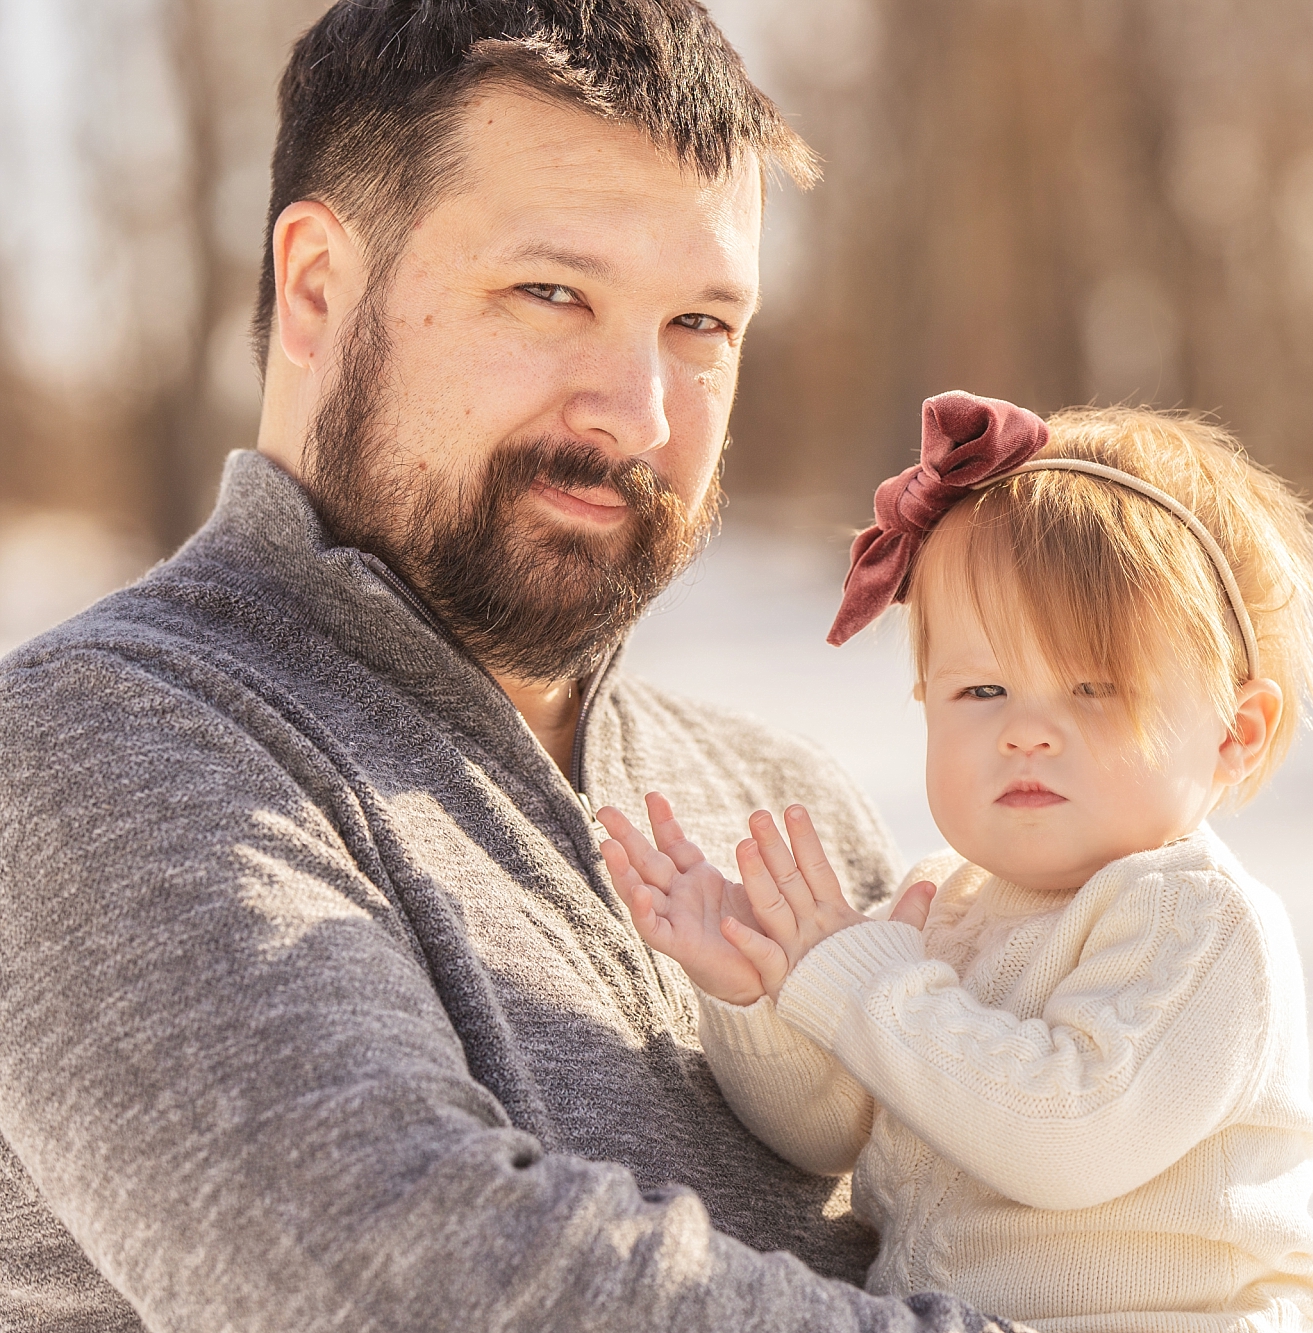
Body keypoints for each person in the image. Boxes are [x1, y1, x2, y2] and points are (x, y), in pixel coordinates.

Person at [0, 3, 1017, 1330]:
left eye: (702, 324)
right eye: (551, 293)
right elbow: (404, 1286)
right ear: (318, 287)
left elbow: (1033, 1222)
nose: (641, 413)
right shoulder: (96, 748)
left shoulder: (779, 806)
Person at [600, 392, 1313, 1331]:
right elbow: (825, 1133)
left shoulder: (1197, 921)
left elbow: (1068, 1135)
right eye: (982, 688)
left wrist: (861, 980)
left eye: (1094, 688)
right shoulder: (939, 900)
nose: (1027, 731)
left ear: (1235, 733)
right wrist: (762, 990)